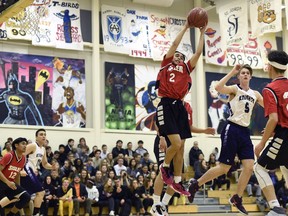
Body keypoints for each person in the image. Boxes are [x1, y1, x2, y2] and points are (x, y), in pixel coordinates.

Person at [188, 64, 264, 215]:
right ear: (239, 76)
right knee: (224, 168)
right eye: (242, 73)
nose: (245, 75)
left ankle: (237, 197)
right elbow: (217, 87)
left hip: (245, 131)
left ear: (251, 76)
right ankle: (196, 184)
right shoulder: (235, 89)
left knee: (249, 167)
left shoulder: (256, 94)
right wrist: (232, 72)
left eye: (247, 73)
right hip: (232, 128)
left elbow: (269, 106)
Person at [155, 19, 206, 196]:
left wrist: (202, 32)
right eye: (176, 55)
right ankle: (165, 167)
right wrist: (186, 27)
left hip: (179, 107)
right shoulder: (166, 63)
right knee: (176, 143)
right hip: (166, 104)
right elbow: (175, 43)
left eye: (181, 56)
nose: (178, 57)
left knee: (181, 146)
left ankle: (177, 180)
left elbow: (199, 52)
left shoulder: (186, 68)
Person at [151, 102, 215, 216]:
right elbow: (157, 122)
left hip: (178, 145)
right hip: (164, 141)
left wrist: (204, 131)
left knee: (177, 175)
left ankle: (163, 205)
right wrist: (161, 137)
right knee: (163, 172)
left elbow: (188, 127)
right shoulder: (167, 102)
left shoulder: (187, 106)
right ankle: (155, 205)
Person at [254, 50, 288, 216]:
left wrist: (261, 143)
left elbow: (273, 119)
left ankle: (275, 208)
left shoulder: (270, 89)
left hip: (284, 135)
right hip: (283, 133)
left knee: (259, 168)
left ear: (271, 67)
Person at [21, 129, 56, 216]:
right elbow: (20, 155)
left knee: (20, 195)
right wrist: (21, 169)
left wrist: (52, 167)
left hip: (32, 172)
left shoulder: (43, 149)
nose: (43, 136)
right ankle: (36, 214)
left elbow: (44, 164)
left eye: (44, 134)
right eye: (41, 134)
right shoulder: (33, 145)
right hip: (27, 169)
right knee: (41, 192)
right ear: (36, 137)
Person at [0, 137, 31, 216]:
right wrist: (8, 182)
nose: (25, 146)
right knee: (1, 206)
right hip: (2, 181)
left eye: (26, 144)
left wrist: (18, 189)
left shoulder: (23, 159)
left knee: (26, 197)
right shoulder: (9, 156)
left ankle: (10, 214)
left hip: (10, 183)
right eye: (23, 144)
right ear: (16, 145)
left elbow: (17, 174)